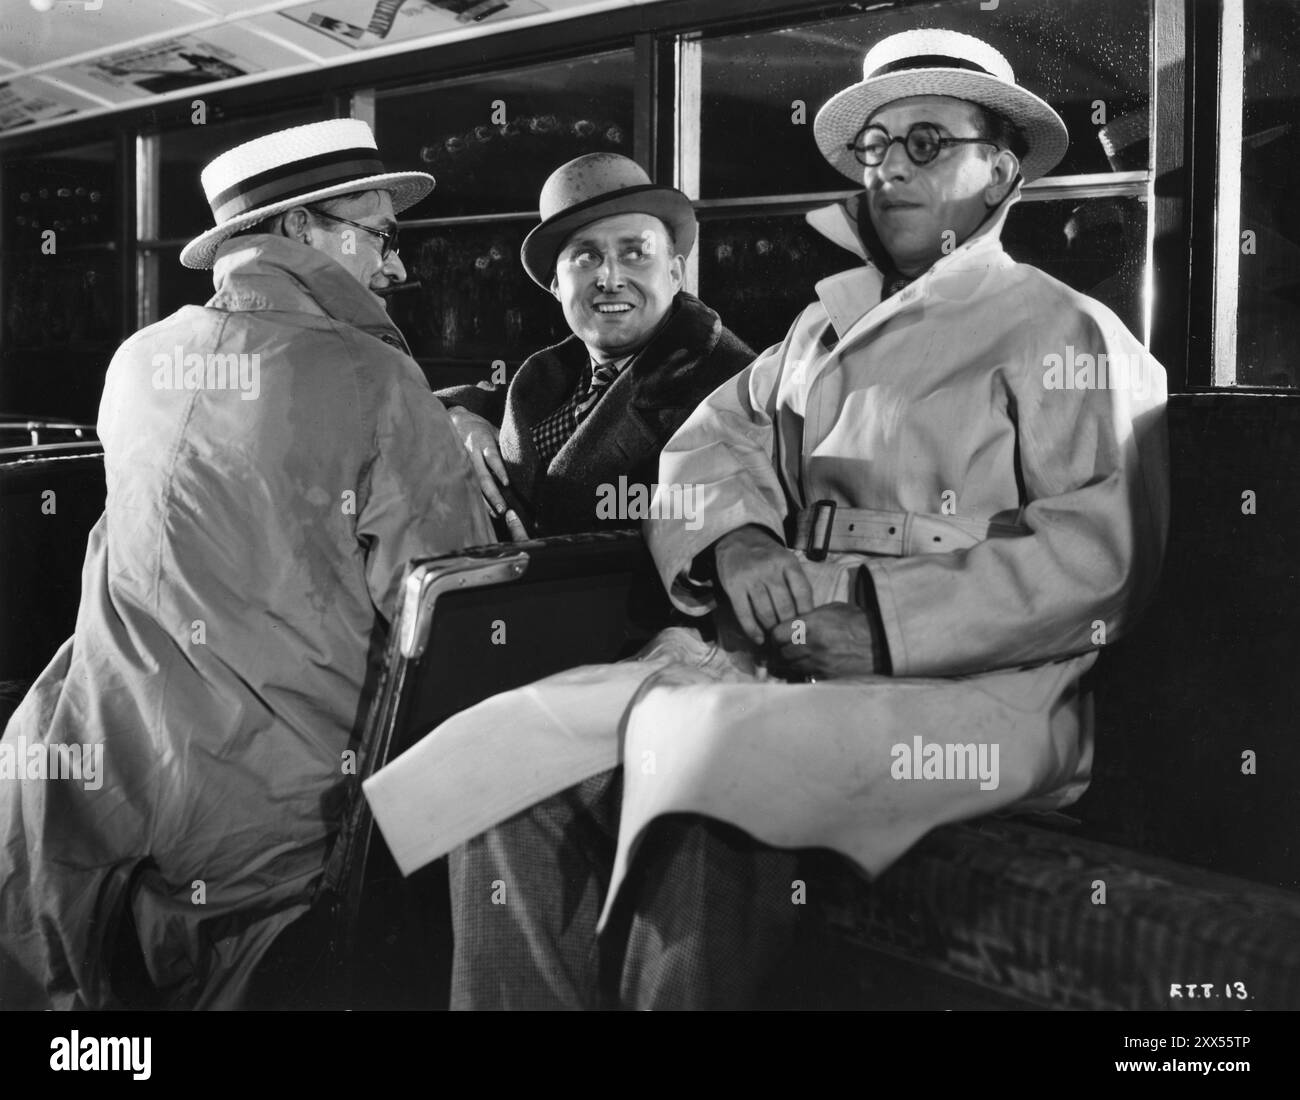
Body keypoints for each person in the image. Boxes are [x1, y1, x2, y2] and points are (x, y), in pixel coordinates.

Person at [420, 28, 1171, 1009]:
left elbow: (1098, 555)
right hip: (786, 658)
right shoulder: (822, 329)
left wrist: (888, 632)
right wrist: (734, 535)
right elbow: (707, 446)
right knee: (505, 752)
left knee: (708, 771)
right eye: (875, 150)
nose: (892, 170)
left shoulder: (1070, 334)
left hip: (988, 691)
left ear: (1001, 174)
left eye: (927, 143)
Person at [0, 119, 492, 1009]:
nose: (396, 268)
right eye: (379, 236)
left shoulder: (134, 362)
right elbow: (449, 607)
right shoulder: (377, 380)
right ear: (303, 230)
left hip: (97, 778)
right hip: (278, 822)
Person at [436, 152, 753, 538]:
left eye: (635, 253)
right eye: (587, 257)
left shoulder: (735, 389)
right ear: (556, 285)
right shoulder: (558, 377)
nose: (610, 278)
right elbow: (485, 400)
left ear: (674, 273)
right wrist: (459, 419)